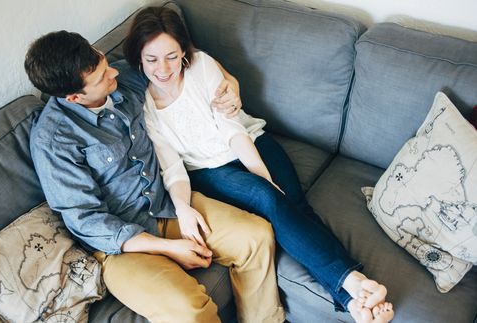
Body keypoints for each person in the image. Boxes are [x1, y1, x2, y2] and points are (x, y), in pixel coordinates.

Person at [123, 6, 395, 323]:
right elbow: (172, 168)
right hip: (209, 171)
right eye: (151, 59)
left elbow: (233, 130)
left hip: (251, 141)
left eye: (171, 56)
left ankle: (351, 301)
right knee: (269, 199)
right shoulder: (144, 109)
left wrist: (262, 175)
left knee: (293, 207)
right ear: (139, 58)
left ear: (184, 51)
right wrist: (183, 207)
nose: (163, 68)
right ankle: (354, 281)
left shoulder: (202, 67)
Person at [24, 30, 286, 323]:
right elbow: (86, 220)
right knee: (188, 310)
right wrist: (168, 248)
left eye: (102, 61)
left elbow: (186, 58)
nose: (113, 71)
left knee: (256, 236)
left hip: (168, 204)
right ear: (74, 97)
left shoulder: (124, 77)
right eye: (101, 77)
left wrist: (231, 84)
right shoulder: (53, 141)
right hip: (120, 247)